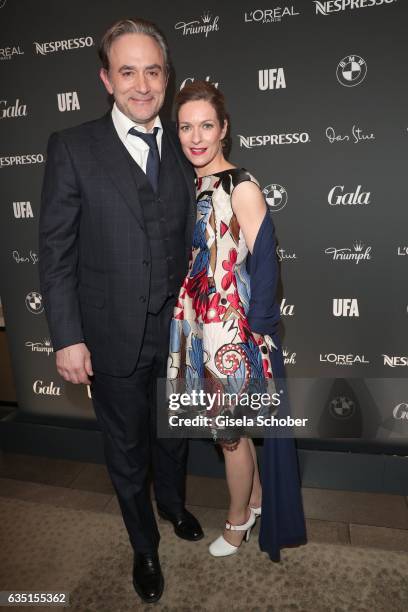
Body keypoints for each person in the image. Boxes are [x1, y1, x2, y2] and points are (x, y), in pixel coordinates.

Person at [39, 18, 203, 604]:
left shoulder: (188, 146)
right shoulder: (73, 147)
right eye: (127, 71)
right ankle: (144, 547)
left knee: (174, 435)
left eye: (152, 71)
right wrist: (66, 337)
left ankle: (174, 505)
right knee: (128, 449)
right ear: (106, 79)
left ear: (166, 77)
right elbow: (55, 254)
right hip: (109, 336)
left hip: (179, 333)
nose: (141, 84)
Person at [167, 81, 307, 560]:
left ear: (224, 129)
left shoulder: (240, 185)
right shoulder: (196, 184)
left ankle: (237, 520)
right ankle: (257, 499)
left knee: (228, 433)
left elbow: (265, 259)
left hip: (229, 327)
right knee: (232, 427)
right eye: (186, 126)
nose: (196, 136)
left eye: (206, 125)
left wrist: (260, 328)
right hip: (199, 324)